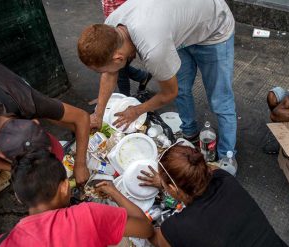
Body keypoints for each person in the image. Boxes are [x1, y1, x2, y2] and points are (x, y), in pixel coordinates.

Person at [77, 0, 237, 159]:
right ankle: (190, 133)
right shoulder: (110, 28)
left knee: (220, 100)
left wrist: (136, 110)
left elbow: (169, 94)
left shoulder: (154, 51)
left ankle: (226, 158)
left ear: (118, 59)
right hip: (179, 31)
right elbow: (110, 74)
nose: (104, 74)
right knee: (181, 88)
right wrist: (98, 115)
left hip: (213, 27)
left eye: (102, 70)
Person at [0, 150, 153, 246]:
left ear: (18, 197)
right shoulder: (87, 216)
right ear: (64, 187)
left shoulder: (0, 242)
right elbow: (146, 228)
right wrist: (114, 192)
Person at [138, 144, 287, 247]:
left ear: (172, 188)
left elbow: (153, 237)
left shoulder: (175, 229)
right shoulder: (224, 178)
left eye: (165, 185)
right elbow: (207, 169)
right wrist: (168, 182)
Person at [0, 58, 90, 184]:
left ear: (35, 121)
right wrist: (14, 169)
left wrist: (80, 163)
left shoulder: (25, 100)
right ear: (0, 153)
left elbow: (82, 117)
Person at [100, 0, 152, 96]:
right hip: (113, 30)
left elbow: (134, 12)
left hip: (126, 32)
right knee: (119, 68)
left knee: (119, 71)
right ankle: (142, 76)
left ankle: (125, 99)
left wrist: (130, 45)